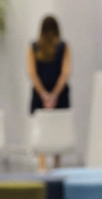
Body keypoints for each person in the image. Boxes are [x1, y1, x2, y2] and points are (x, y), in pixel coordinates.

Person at [27, 15, 71, 172]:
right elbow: (65, 73)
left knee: (42, 129)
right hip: (59, 94)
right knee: (58, 129)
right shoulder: (63, 47)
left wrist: (44, 94)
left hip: (41, 93)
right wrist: (54, 94)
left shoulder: (34, 47)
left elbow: (32, 73)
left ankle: (42, 165)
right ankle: (57, 164)